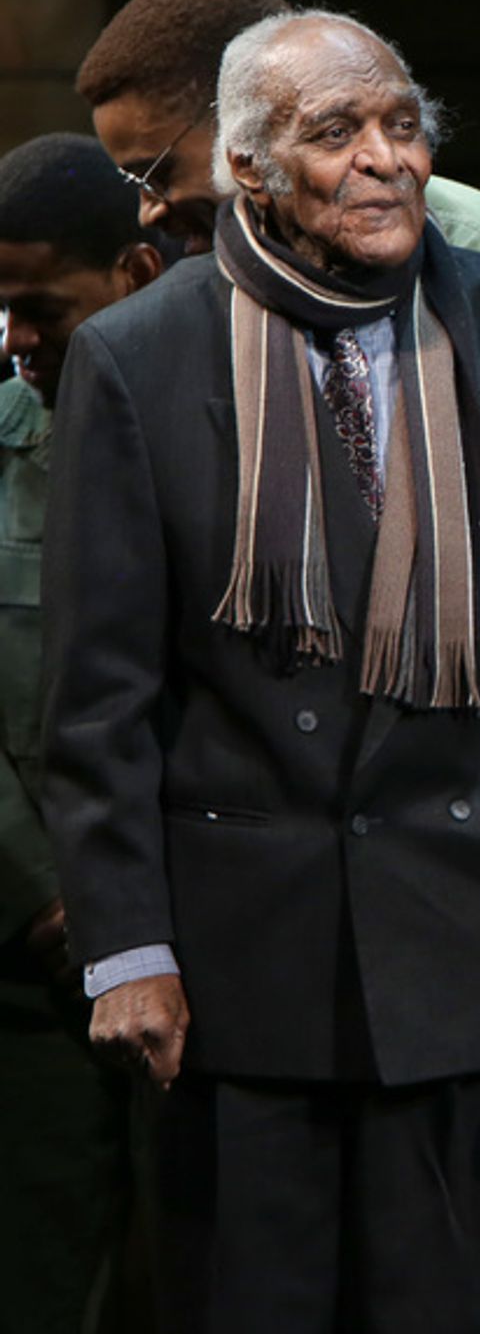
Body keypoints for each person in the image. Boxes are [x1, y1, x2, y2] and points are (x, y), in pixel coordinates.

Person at [76, 0, 480, 1332]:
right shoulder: (136, 354)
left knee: (466, 1298)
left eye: (404, 124)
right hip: (239, 946)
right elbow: (102, 690)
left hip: (462, 925)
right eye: (337, 133)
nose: (385, 159)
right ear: (247, 168)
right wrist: (128, 944)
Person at [0, 132, 162, 1330]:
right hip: (35, 979)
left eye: (37, 308)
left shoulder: (218, 435)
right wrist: (55, 895)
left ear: (134, 274)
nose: (13, 340)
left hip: (207, 961)